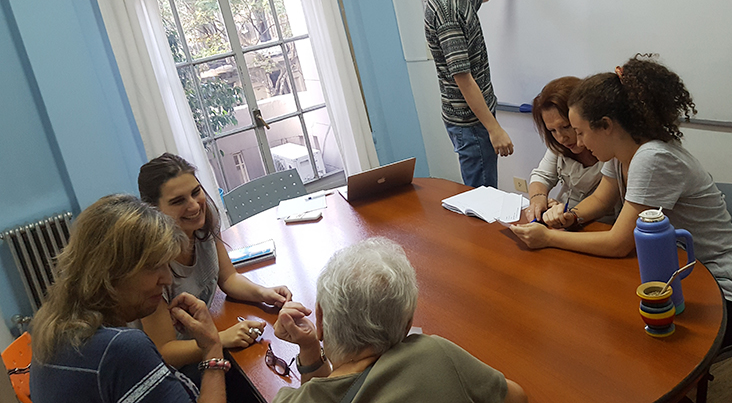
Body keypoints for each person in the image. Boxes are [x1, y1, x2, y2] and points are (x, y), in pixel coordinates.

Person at [509, 54, 732, 345]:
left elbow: (619, 243)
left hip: (727, 294)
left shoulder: (651, 158)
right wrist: (573, 216)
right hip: (684, 277)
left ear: (606, 126)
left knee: (614, 331)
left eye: (580, 132)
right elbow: (602, 201)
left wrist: (548, 238)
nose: (578, 143)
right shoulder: (622, 152)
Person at [270, 237, 528, 403]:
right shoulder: (434, 353)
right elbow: (516, 397)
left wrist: (310, 348)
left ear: (321, 318)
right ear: (407, 325)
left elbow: (326, 389)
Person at [30, 195, 226, 403]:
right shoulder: (122, 348)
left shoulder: (53, 327)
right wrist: (212, 348)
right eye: (153, 266)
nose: (167, 279)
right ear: (110, 271)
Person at [138, 153, 291, 371]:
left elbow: (228, 278)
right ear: (153, 210)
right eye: (178, 201)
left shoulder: (203, 222)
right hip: (175, 368)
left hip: (204, 344)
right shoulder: (150, 265)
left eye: (195, 192)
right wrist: (219, 339)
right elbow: (164, 350)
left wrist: (263, 293)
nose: (194, 206)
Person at [416, 0, 519, 188]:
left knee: (485, 194)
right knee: (483, 198)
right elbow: (463, 78)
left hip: (477, 118)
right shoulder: (446, 10)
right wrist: (493, 128)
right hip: (471, 123)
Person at [525, 76, 603, 223]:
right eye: (552, 131)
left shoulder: (609, 151)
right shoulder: (559, 147)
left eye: (566, 127)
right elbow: (541, 176)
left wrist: (566, 215)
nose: (561, 138)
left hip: (599, 226)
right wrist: (539, 200)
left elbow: (602, 200)